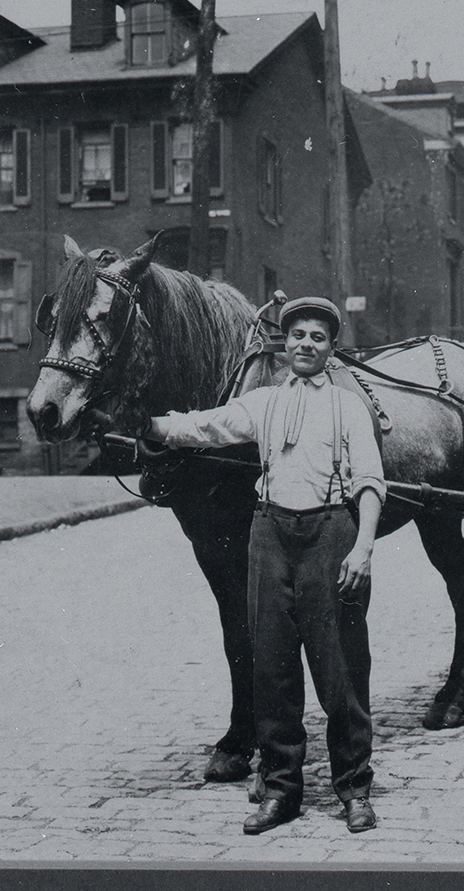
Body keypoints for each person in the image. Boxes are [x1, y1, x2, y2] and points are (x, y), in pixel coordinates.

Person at [148, 296, 383, 835]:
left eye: (317, 337)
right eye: (296, 334)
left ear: (331, 348)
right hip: (269, 535)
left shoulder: (350, 407)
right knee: (272, 669)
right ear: (283, 343)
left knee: (341, 671)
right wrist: (151, 425)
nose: (305, 343)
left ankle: (354, 788)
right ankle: (281, 791)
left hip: (330, 534)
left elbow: (370, 482)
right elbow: (204, 427)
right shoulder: (263, 403)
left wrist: (363, 547)